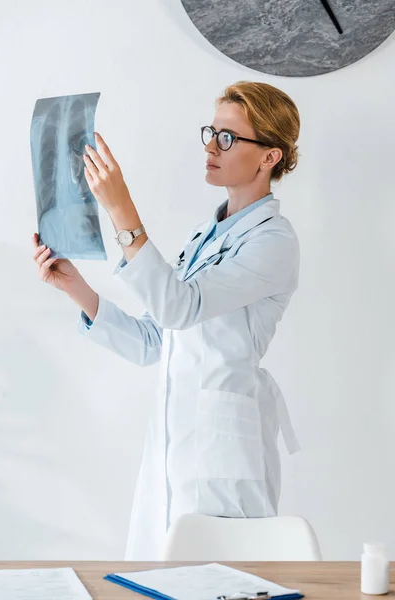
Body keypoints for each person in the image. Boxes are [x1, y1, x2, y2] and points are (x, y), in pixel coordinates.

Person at [32, 80, 301, 560]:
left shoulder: (274, 242)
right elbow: (157, 339)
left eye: (227, 138)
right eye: (211, 132)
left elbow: (180, 305)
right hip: (173, 448)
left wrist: (120, 208)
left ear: (269, 158)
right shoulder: (204, 235)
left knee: (221, 582)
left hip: (225, 453)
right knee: (159, 576)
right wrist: (76, 288)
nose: (210, 148)